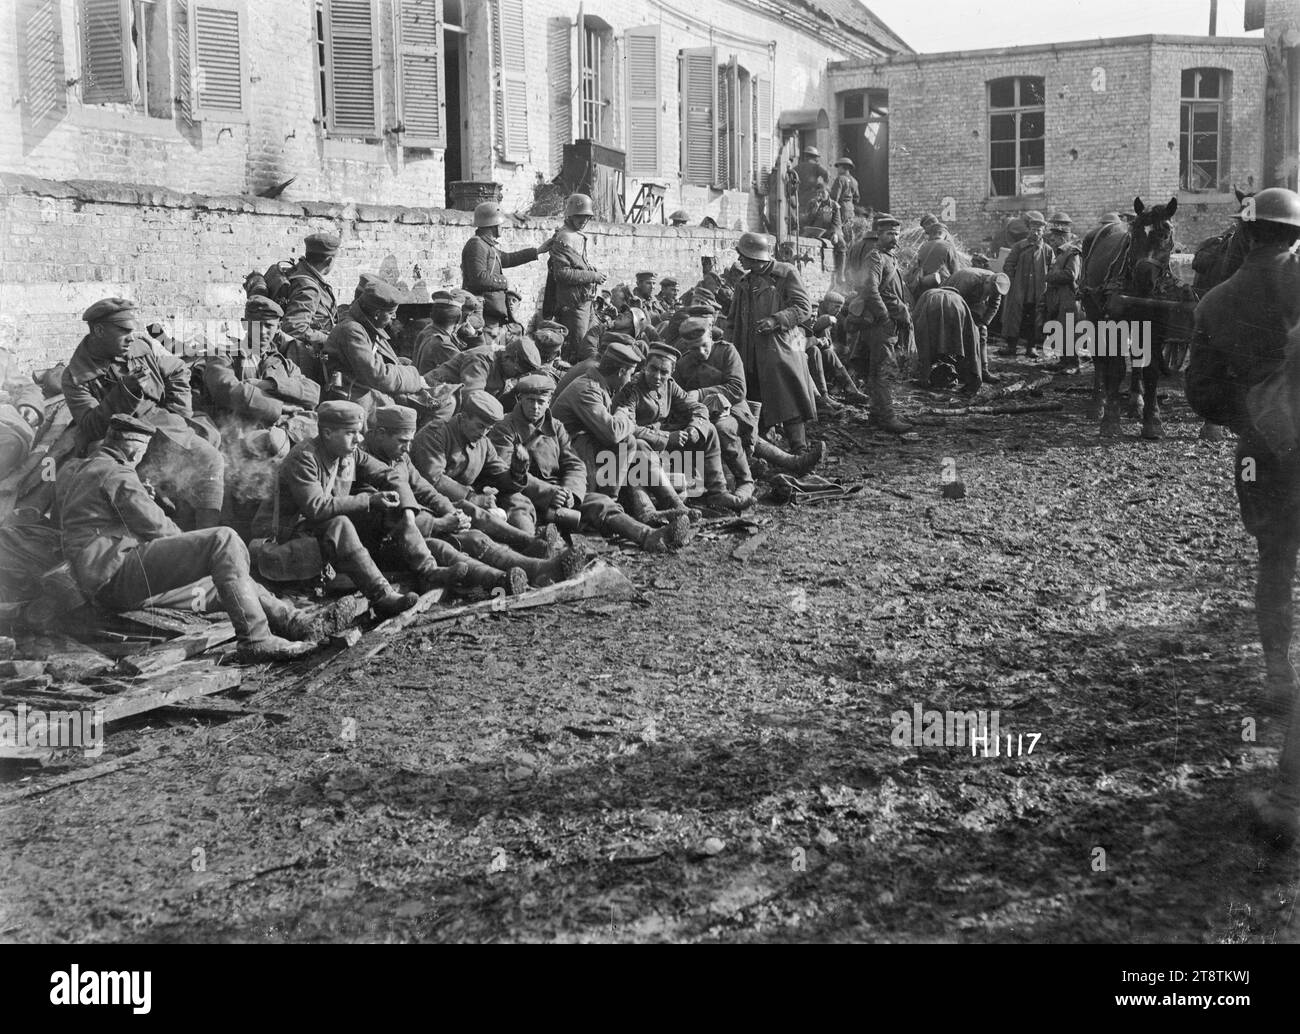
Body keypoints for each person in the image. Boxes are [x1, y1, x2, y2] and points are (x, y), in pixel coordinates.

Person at [1185, 186, 1300, 848]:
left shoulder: (1213, 302)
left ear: (1246, 233)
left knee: (1275, 560)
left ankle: (1279, 671)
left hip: (1263, 457)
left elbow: (1201, 394)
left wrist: (1252, 419)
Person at [56, 415, 319, 661]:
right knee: (223, 541)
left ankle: (292, 620)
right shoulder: (116, 474)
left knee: (225, 580)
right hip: (113, 574)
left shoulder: (94, 467)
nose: (144, 455)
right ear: (134, 448)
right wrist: (194, 553)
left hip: (107, 577)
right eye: (144, 448)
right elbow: (157, 527)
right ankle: (255, 639)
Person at [364, 404, 575, 593]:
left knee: (469, 524)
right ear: (381, 434)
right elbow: (381, 517)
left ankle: (536, 564)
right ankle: (502, 579)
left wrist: (451, 512)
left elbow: (425, 489)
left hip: (416, 529)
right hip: (387, 542)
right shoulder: (364, 463)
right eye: (402, 441)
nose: (408, 448)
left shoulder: (399, 457)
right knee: (458, 543)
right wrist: (438, 523)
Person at [62, 298, 226, 529]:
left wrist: (179, 413)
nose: (131, 336)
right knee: (133, 490)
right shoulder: (76, 377)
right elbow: (90, 427)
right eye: (124, 331)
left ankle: (207, 536)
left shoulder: (139, 347)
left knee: (211, 459)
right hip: (116, 439)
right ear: (99, 330)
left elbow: (177, 369)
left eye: (133, 331)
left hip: (162, 426)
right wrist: (125, 391)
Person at [255, 401, 427, 615]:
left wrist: (408, 512)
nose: (359, 439)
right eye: (351, 433)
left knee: (384, 509)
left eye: (359, 432)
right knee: (341, 522)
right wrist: (369, 500)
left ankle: (427, 569)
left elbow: (390, 475)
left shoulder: (348, 453)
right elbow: (316, 508)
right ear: (327, 433)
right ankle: (381, 595)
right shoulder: (304, 458)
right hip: (282, 537)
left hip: (311, 531)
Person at [551, 338, 694, 551]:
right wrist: (624, 416)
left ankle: (669, 505)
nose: (630, 378)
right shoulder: (587, 389)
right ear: (620, 372)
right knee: (627, 442)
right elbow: (612, 432)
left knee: (637, 447)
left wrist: (624, 420)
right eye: (630, 372)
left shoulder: (600, 385)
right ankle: (613, 503)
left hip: (583, 446)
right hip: (567, 455)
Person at [408, 390, 557, 558]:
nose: (484, 433)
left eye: (489, 428)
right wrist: (473, 497)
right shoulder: (436, 434)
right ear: (463, 417)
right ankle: (529, 543)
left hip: (465, 499)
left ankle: (532, 544)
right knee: (472, 509)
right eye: (480, 426)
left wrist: (517, 469)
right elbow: (434, 479)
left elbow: (499, 475)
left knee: (517, 499)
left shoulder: (483, 443)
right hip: (432, 502)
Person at [618, 341, 751, 512]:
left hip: (661, 449)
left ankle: (717, 492)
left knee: (708, 430)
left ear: (672, 371)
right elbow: (627, 427)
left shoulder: (670, 385)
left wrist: (694, 428)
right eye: (653, 369)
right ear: (645, 366)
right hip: (637, 451)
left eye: (664, 372)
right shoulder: (632, 389)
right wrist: (667, 437)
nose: (658, 376)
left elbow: (698, 407)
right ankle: (672, 502)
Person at [729, 231, 823, 458]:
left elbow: (803, 307)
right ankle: (760, 448)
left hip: (780, 348)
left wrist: (777, 320)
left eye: (742, 255)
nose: (739, 260)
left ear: (754, 256)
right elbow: (733, 318)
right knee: (753, 398)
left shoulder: (785, 273)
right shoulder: (744, 281)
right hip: (749, 350)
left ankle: (799, 448)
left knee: (788, 397)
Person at [323, 279, 452, 420]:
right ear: (377, 313)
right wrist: (415, 379)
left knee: (442, 402)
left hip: (369, 392)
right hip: (358, 399)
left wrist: (403, 367)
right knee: (434, 410)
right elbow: (377, 374)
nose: (394, 317)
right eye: (391, 313)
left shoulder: (366, 327)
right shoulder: (352, 330)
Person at [487, 374, 587, 535]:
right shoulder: (505, 427)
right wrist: (548, 492)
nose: (535, 407)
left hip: (558, 492)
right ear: (520, 399)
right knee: (519, 512)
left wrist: (570, 493)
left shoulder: (556, 427)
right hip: (522, 490)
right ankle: (533, 548)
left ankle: (642, 534)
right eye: (530, 400)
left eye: (541, 402)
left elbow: (574, 464)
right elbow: (503, 470)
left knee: (601, 503)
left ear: (549, 402)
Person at [847, 215, 914, 433]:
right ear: (878, 234)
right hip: (879, 325)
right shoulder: (875, 257)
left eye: (896, 234)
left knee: (876, 370)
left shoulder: (888, 257)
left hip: (884, 324)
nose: (894, 238)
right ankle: (887, 418)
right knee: (883, 370)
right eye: (889, 234)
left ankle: (876, 414)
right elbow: (870, 289)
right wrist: (884, 316)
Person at [913, 269, 1009, 392]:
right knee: (955, 335)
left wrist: (983, 323)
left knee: (981, 334)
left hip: (973, 304)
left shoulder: (998, 284)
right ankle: (955, 368)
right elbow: (955, 302)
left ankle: (982, 370)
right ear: (987, 283)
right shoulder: (969, 280)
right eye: (990, 291)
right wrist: (966, 324)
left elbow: (994, 306)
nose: (991, 294)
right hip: (950, 299)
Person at [461, 202, 550, 329]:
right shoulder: (477, 245)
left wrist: (538, 251)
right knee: (487, 346)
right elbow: (478, 278)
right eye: (500, 224)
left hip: (490, 310)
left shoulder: (486, 245)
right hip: (483, 312)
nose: (502, 227)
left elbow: (507, 258)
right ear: (493, 225)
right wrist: (503, 281)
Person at [544, 194, 607, 354]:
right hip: (573, 305)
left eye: (587, 217)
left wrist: (591, 270)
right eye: (580, 217)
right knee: (578, 349)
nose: (584, 221)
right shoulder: (564, 237)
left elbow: (577, 264)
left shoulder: (575, 235)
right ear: (570, 216)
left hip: (585, 301)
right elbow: (562, 274)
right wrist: (593, 276)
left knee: (591, 344)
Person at [280, 232, 341, 385]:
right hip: (300, 358)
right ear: (329, 260)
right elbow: (295, 327)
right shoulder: (309, 287)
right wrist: (328, 339)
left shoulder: (298, 270)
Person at [999, 211, 1052, 358]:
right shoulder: (1019, 246)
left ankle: (1031, 347)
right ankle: (1011, 347)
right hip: (1019, 290)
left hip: (1037, 291)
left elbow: (1052, 268)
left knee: (1035, 318)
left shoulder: (1047, 250)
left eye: (1039, 230)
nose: (1036, 233)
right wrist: (1014, 281)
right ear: (1029, 230)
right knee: (1015, 317)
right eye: (1033, 229)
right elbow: (1008, 265)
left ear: (1043, 232)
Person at [1041, 213, 1084, 374]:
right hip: (1058, 296)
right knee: (1060, 329)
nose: (1051, 243)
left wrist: (1049, 276)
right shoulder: (1060, 253)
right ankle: (1063, 361)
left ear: (1062, 239)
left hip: (1069, 297)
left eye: (1053, 240)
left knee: (1069, 330)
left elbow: (1071, 275)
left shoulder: (1072, 253)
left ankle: (1073, 364)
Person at [412, 293, 466, 375]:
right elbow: (470, 367)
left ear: (432, 315)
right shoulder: (443, 342)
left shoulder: (426, 332)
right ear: (458, 319)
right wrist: (475, 337)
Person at [910, 219, 960, 297]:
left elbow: (918, 265)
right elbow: (955, 271)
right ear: (944, 234)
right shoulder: (948, 246)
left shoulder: (923, 246)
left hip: (924, 286)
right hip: (943, 287)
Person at [794, 145, 831, 218]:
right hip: (812, 195)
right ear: (814, 157)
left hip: (799, 196)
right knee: (812, 215)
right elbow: (827, 174)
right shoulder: (816, 166)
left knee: (801, 216)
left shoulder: (797, 167)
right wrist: (824, 186)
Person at [829, 157, 860, 227]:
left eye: (838, 167)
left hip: (841, 210)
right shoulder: (854, 181)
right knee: (848, 232)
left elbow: (834, 197)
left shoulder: (840, 179)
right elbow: (856, 199)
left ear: (842, 167)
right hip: (850, 210)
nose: (838, 169)